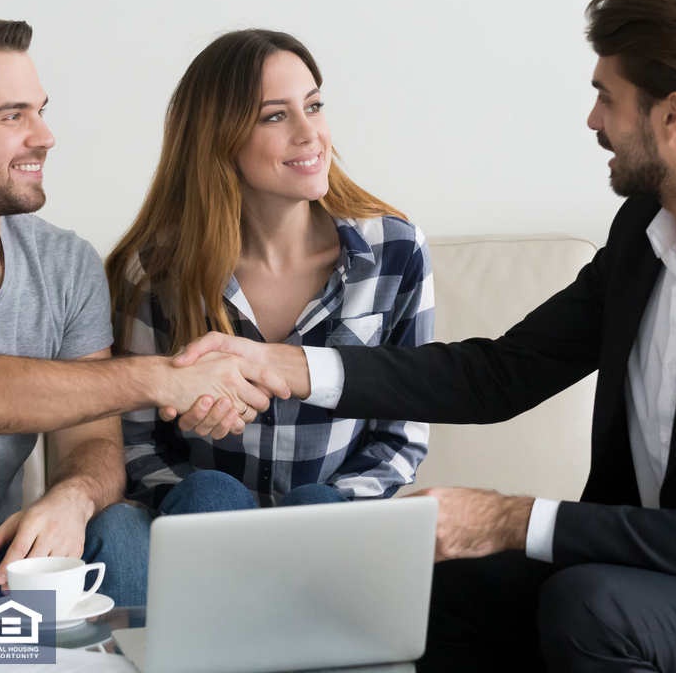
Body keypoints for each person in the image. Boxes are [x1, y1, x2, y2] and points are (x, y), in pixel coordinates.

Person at [173, 0, 676, 672]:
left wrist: (505, 519)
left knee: (591, 607)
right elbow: (497, 375)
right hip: (653, 571)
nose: (594, 121)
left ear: (672, 117)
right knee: (435, 590)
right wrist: (288, 365)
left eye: (607, 96)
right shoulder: (645, 232)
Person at [0, 15, 289, 605]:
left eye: (41, 111)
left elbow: (92, 444)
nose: (44, 136)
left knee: (122, 531)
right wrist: (164, 377)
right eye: (13, 116)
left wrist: (73, 495)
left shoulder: (67, 264)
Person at [106, 29, 432, 514]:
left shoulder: (395, 252)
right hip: (204, 531)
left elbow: (402, 434)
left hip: (328, 529)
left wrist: (331, 508)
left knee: (318, 507)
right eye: (276, 116)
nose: (309, 133)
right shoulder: (155, 272)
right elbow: (138, 442)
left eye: (314, 106)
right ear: (220, 138)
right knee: (208, 495)